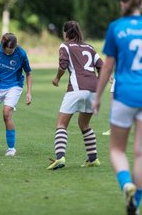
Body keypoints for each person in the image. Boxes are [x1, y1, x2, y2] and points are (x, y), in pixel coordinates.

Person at [93, 0, 142, 215]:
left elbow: (107, 67)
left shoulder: (116, 28)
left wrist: (98, 97)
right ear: (141, 4)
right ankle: (135, 204)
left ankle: (126, 183)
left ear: (122, 4)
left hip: (124, 95)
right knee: (141, 153)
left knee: (117, 150)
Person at [46, 21, 103, 170]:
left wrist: (57, 78)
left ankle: (60, 158)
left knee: (61, 124)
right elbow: (101, 66)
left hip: (77, 88)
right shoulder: (89, 47)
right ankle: (93, 158)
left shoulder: (65, 46)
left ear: (66, 33)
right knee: (84, 124)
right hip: (94, 89)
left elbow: (63, 65)